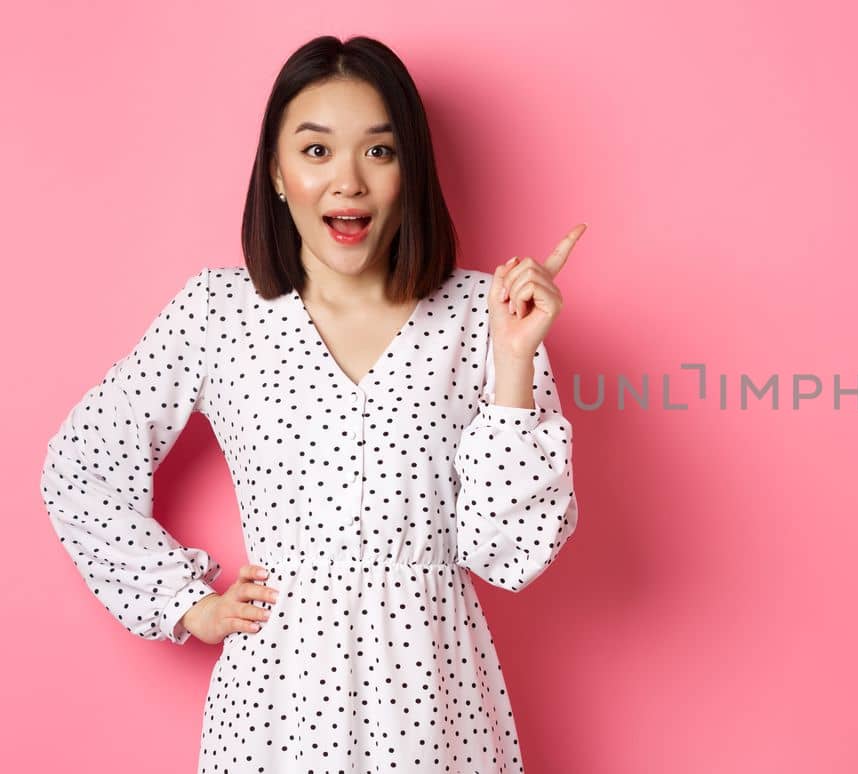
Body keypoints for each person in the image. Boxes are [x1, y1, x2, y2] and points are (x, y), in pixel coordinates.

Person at [38, 34, 584, 772]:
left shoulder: (479, 317)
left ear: (410, 170)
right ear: (276, 171)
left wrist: (514, 361)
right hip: (277, 701)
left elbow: (506, 556)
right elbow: (81, 468)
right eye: (317, 151)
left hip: (433, 696)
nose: (348, 183)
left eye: (379, 152)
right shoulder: (218, 312)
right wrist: (182, 603)